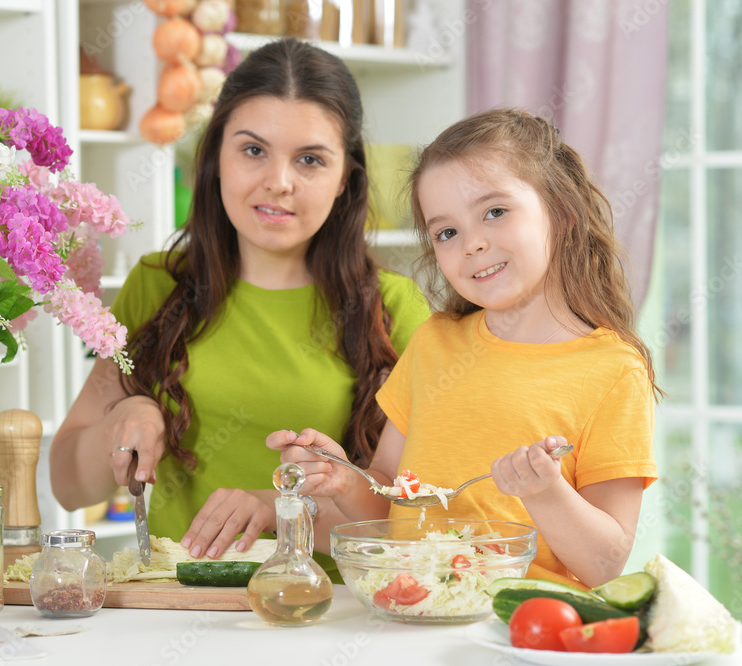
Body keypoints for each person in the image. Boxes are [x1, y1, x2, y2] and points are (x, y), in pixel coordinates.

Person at [48, 38, 431, 572]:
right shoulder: (157, 286)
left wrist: (282, 507)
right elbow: (68, 484)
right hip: (179, 608)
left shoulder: (396, 308)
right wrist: (121, 419)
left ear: (346, 177)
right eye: (254, 150)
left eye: (310, 160)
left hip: (330, 617)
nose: (278, 182)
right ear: (217, 157)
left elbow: (419, 518)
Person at [268, 108, 660, 589]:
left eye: (495, 212)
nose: (472, 244)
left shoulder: (614, 370)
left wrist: (546, 492)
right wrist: (345, 481)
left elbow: (604, 565)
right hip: (409, 613)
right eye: (446, 232)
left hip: (519, 633)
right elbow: (392, 501)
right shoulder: (436, 342)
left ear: (563, 212)